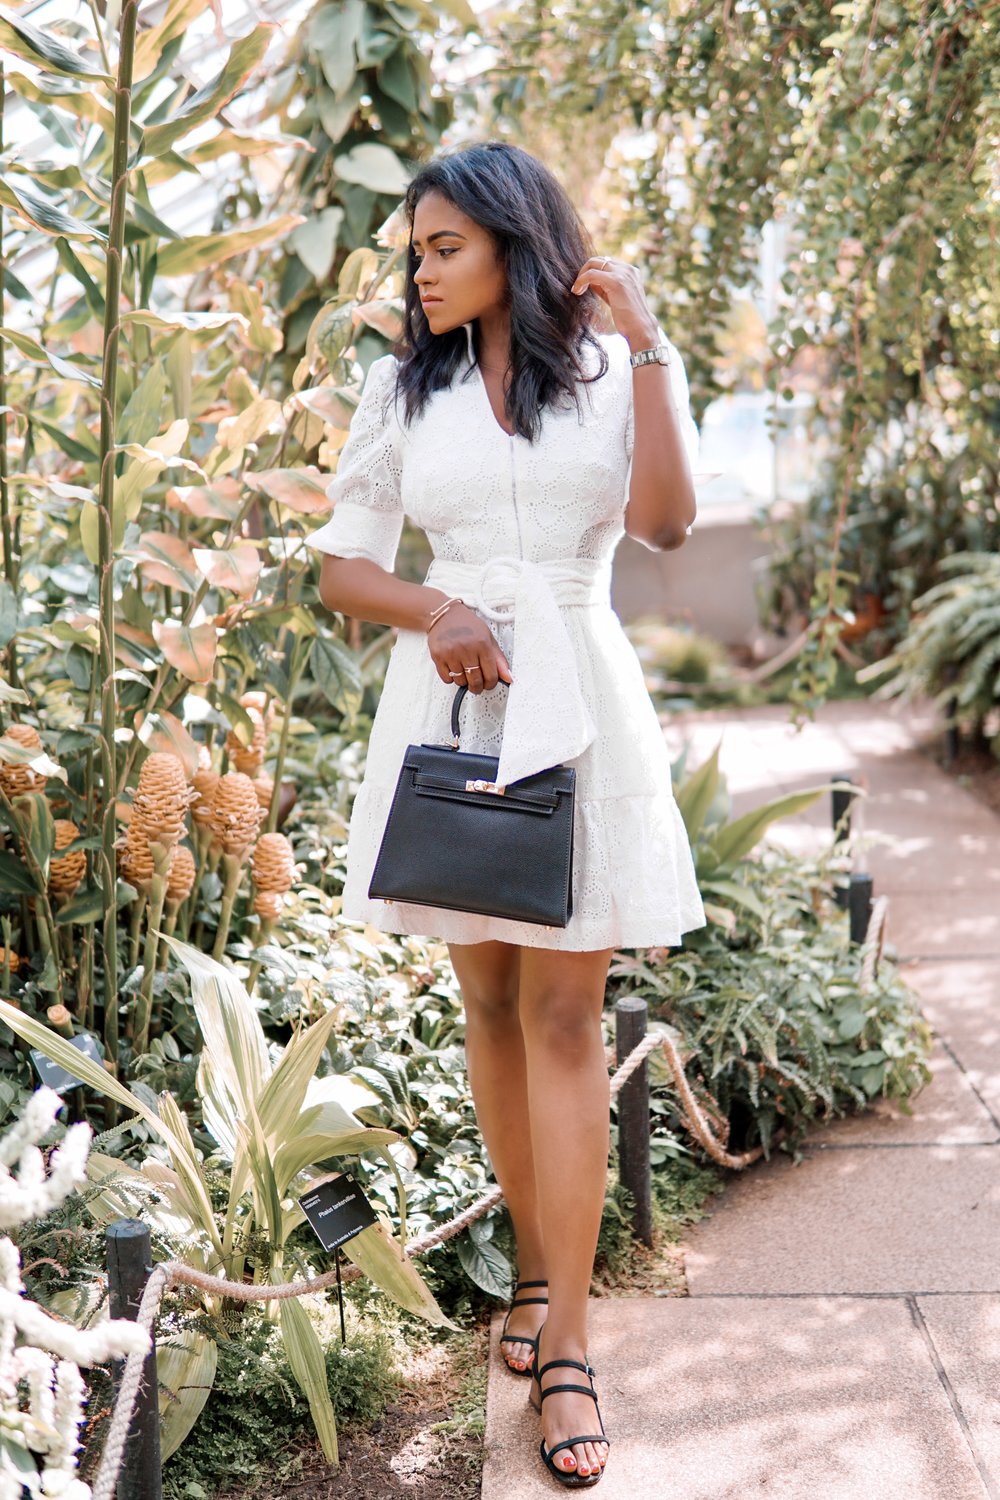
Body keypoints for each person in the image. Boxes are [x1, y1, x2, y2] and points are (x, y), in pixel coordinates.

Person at [309, 140, 706, 1489]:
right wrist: (438, 606)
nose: (418, 271)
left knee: (561, 1011)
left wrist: (648, 345)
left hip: (579, 697)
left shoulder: (606, 377)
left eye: (442, 247)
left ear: (513, 246)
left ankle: (576, 1345)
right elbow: (342, 570)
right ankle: (533, 1280)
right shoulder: (399, 389)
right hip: (453, 702)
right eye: (414, 250)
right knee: (486, 1004)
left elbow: (665, 524)